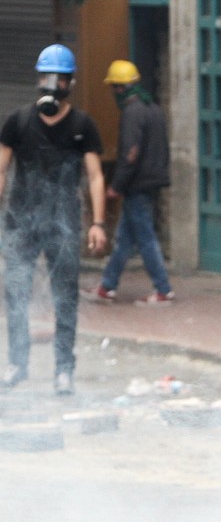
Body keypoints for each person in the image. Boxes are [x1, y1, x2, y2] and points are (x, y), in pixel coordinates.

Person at [0, 44, 107, 395]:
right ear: (38, 79)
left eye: (59, 80)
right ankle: (17, 364)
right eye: (47, 78)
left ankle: (64, 370)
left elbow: (94, 176)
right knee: (16, 295)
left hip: (63, 225)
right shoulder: (17, 121)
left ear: (70, 83)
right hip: (20, 225)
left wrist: (98, 223)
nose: (52, 86)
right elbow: (1, 168)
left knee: (65, 298)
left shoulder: (82, 125)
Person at [86, 60, 174, 306]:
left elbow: (130, 153)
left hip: (137, 185)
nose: (113, 92)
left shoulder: (132, 113)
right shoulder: (153, 108)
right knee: (124, 239)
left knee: (145, 238)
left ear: (120, 88)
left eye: (114, 87)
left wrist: (117, 185)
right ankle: (107, 286)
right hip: (151, 181)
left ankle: (163, 289)